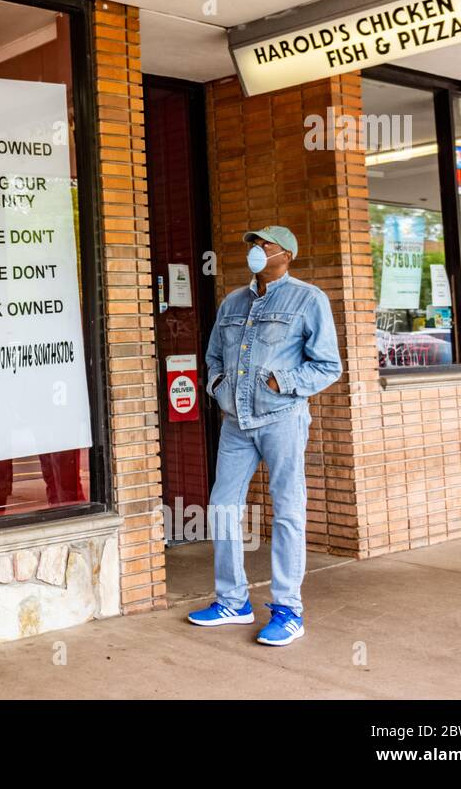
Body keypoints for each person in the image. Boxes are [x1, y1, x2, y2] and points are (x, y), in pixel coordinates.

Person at [187, 225, 341, 646]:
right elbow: (214, 354)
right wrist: (217, 386)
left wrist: (282, 381)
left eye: (265, 246)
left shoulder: (308, 299)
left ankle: (288, 609)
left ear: (286, 254)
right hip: (236, 422)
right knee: (221, 506)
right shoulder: (233, 302)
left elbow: (328, 365)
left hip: (282, 418)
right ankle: (232, 601)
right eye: (253, 246)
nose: (256, 251)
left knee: (288, 509)